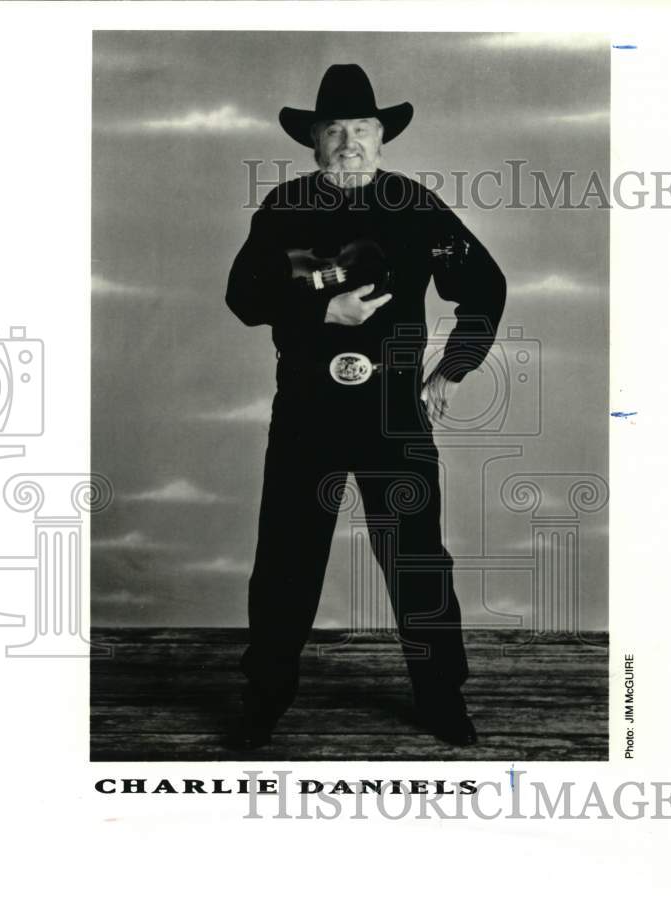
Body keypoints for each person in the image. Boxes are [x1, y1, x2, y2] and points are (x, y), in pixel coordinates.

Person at [226, 64, 506, 750]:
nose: (347, 141)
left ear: (381, 137)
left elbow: (483, 285)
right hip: (307, 409)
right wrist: (322, 306)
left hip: (392, 411)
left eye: (361, 128)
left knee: (417, 558)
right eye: (333, 129)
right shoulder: (282, 209)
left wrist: (453, 369)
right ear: (313, 140)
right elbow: (244, 298)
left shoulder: (417, 208)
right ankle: (265, 697)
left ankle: (440, 697)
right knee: (287, 557)